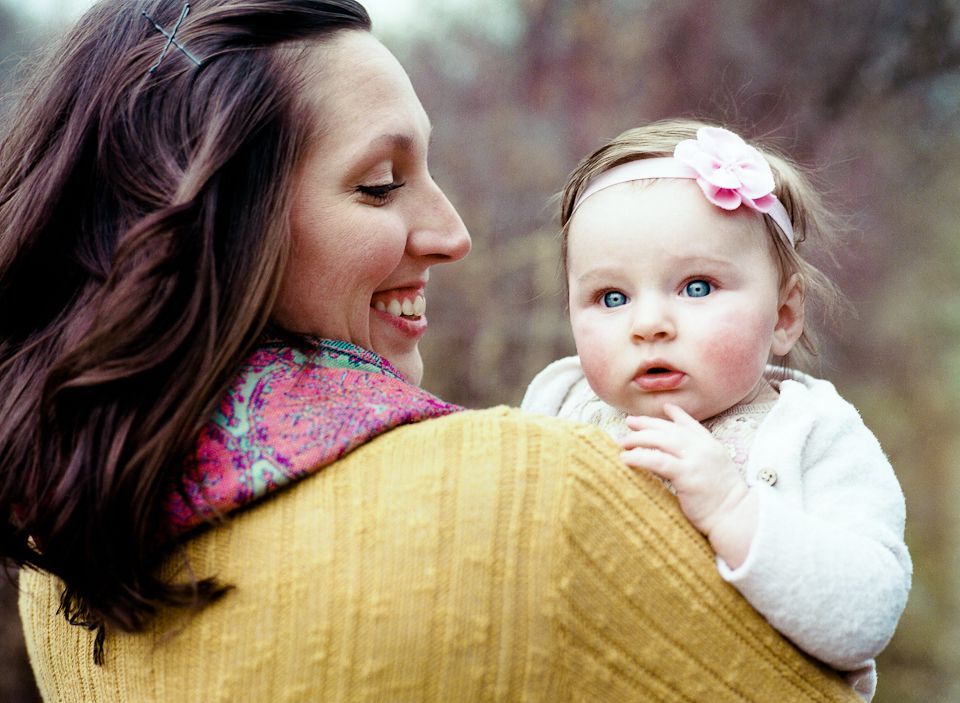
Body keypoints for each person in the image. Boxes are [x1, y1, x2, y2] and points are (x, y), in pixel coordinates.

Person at [3, 2, 865, 701]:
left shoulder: (65, 545)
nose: (454, 233)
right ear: (221, 229)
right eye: (380, 184)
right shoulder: (528, 498)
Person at [522, 120, 912, 700]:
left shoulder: (813, 434)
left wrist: (734, 510)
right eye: (611, 297)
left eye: (697, 287)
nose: (648, 323)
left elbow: (866, 615)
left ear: (783, 315)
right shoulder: (558, 409)